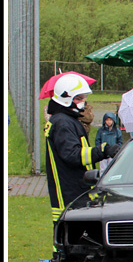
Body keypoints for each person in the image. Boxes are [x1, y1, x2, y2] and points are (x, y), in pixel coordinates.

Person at [45, 73, 120, 227]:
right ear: (66, 99)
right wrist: (103, 150)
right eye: (79, 98)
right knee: (69, 236)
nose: (83, 102)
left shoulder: (66, 120)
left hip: (74, 186)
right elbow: (72, 154)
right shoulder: (63, 123)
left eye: (83, 98)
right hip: (69, 190)